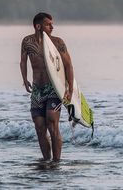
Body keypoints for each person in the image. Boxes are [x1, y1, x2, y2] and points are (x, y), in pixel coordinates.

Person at [20, 12, 74, 161]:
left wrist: (69, 89)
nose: (52, 27)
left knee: (52, 122)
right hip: (38, 89)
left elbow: (68, 65)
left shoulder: (57, 42)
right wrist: (24, 79)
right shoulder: (27, 42)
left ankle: (56, 161)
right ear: (38, 26)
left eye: (52, 24)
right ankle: (46, 160)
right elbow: (23, 61)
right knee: (39, 126)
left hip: (54, 88)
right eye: (48, 24)